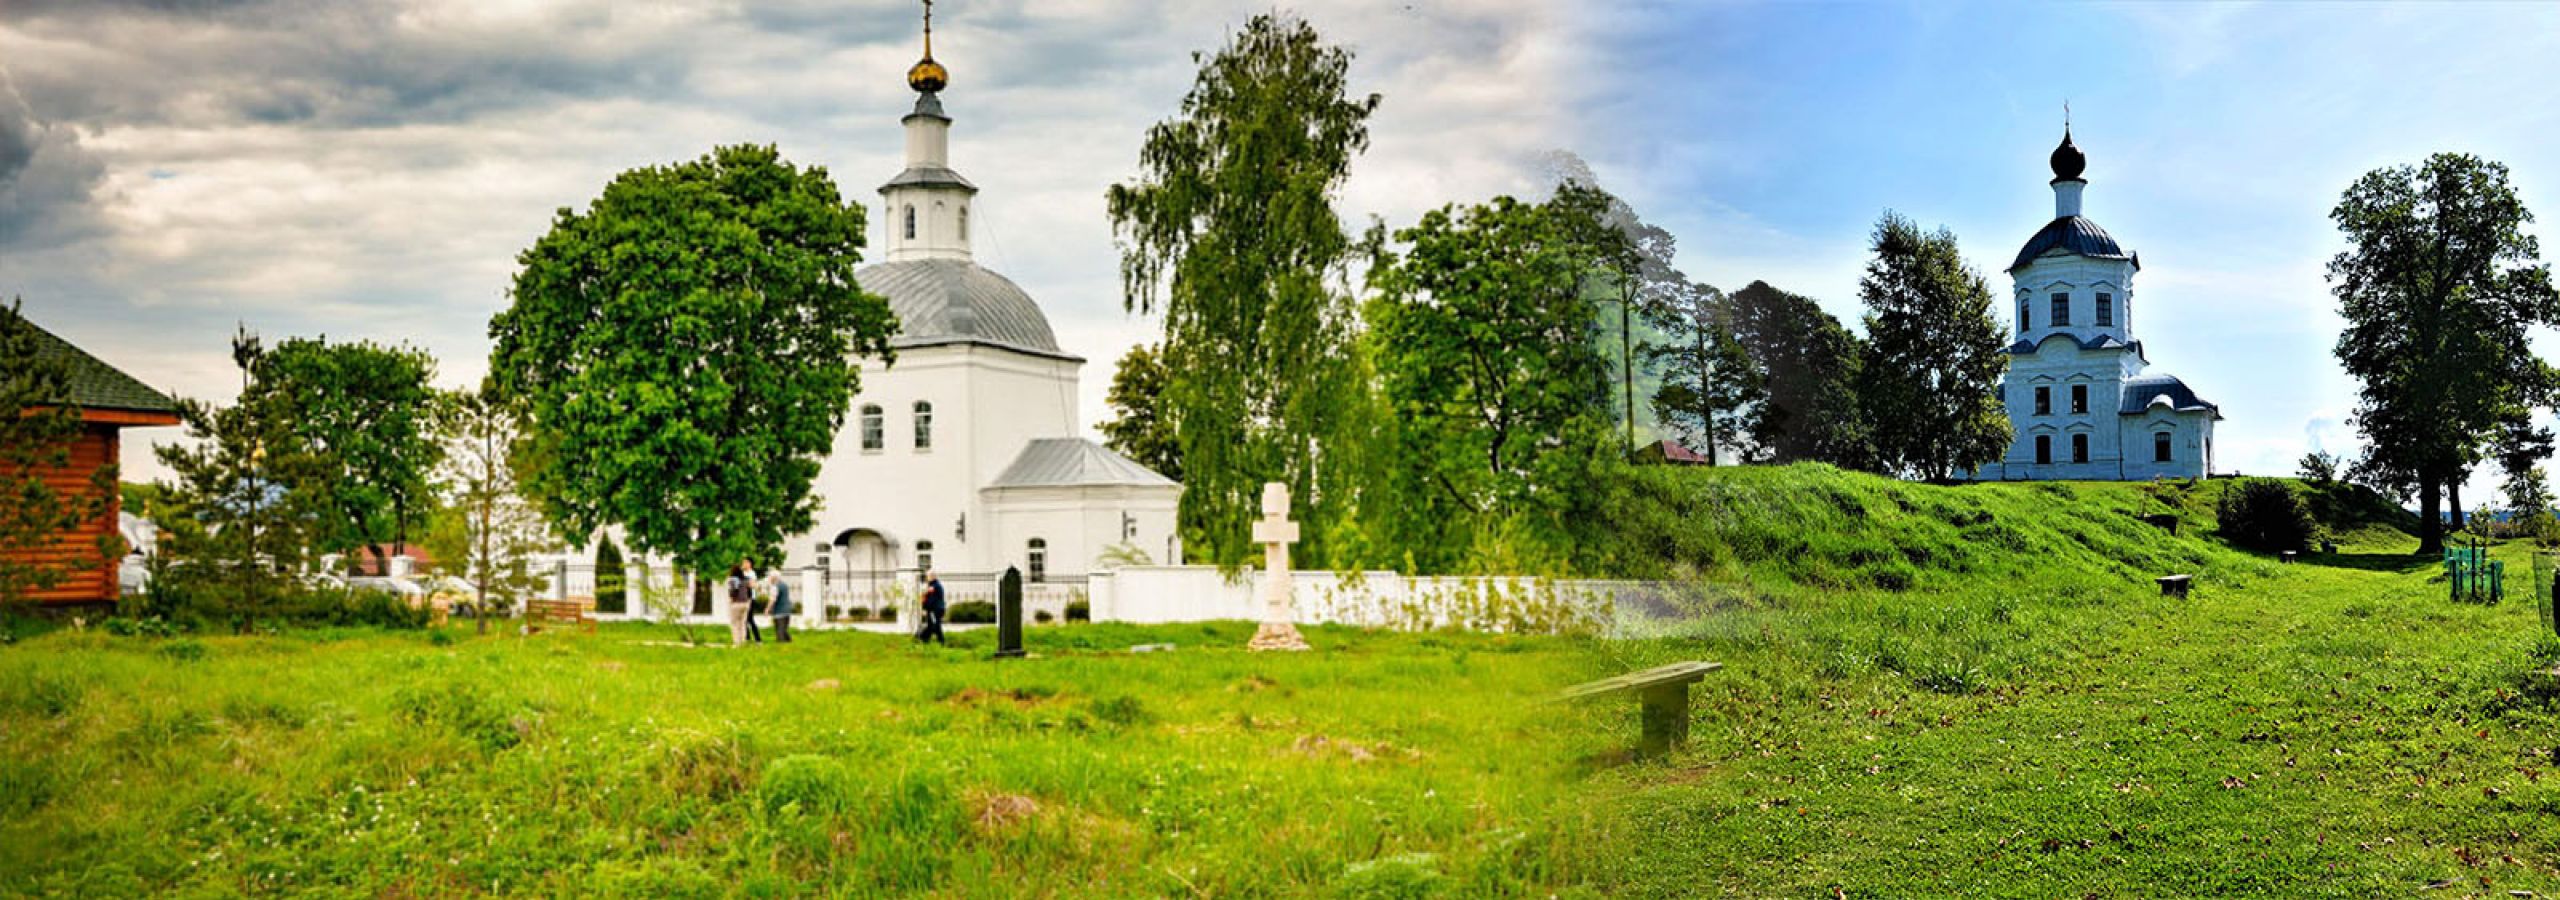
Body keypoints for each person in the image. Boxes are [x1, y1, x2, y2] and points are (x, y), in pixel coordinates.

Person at [725, 560, 756, 646]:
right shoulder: (746, 580)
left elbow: (733, 591)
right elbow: (750, 590)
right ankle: (743, 641)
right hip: (745, 603)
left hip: (736, 603)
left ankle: (736, 642)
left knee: (734, 623)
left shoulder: (733, 579)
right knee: (742, 623)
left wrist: (731, 600)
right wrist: (749, 600)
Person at [914, 569, 946, 645]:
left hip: (935, 610)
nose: (926, 578)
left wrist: (926, 608)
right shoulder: (932, 585)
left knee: (935, 626)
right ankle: (925, 639)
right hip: (934, 609)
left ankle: (923, 637)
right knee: (932, 625)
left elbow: (930, 599)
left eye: (927, 576)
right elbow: (927, 597)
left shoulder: (935, 586)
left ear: (932, 576)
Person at [765, 570, 795, 644]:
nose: (769, 579)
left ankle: (781, 644)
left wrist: (767, 609)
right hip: (787, 610)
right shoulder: (784, 585)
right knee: (784, 629)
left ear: (774, 578)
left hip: (779, 611)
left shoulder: (775, 587)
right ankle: (789, 642)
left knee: (779, 630)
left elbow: (772, 599)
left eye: (770, 577)